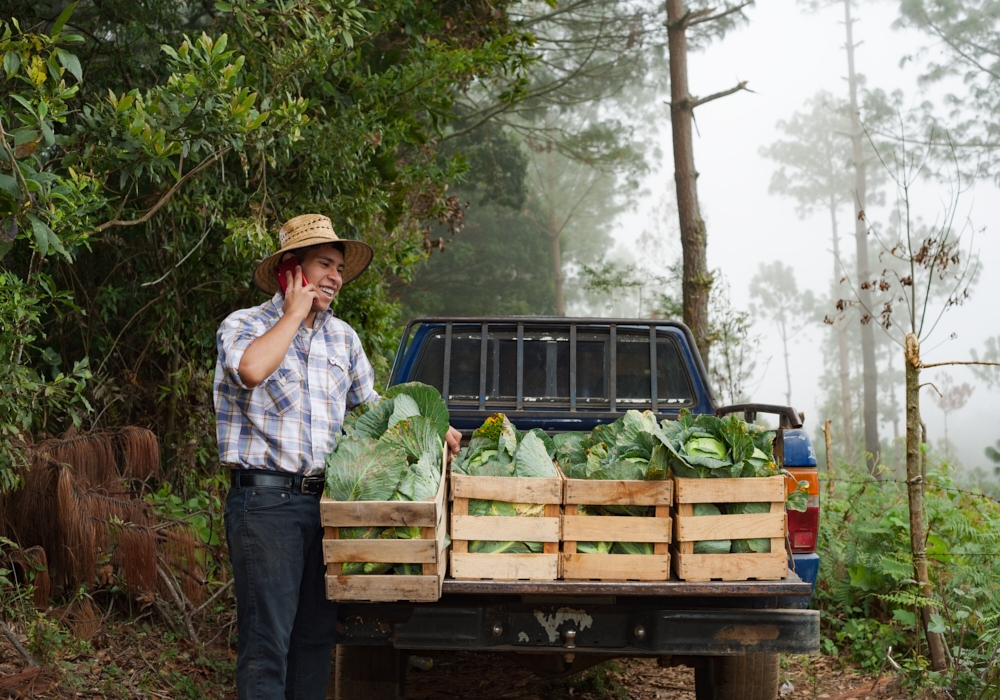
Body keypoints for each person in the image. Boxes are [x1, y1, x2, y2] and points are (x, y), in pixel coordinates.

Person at [213, 214, 460, 699]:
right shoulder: (243, 326)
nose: (335, 277)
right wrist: (291, 313)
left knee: (314, 641)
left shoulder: (342, 338)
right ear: (291, 270)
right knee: (267, 645)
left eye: (340, 269)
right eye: (323, 264)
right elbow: (252, 370)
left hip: (326, 509)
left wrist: (434, 426)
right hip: (265, 509)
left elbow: (375, 408)